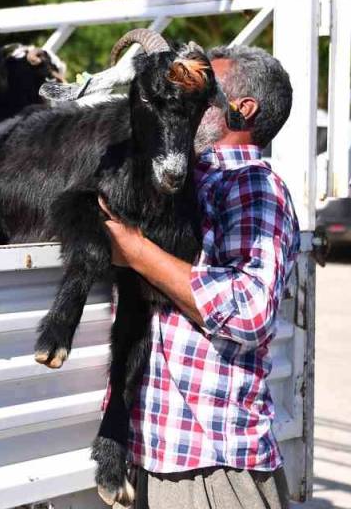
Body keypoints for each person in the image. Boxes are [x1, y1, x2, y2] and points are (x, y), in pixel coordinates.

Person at [98, 45, 300, 509]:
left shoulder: (253, 185)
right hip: (162, 454)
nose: (186, 98)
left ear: (242, 110)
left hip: (215, 468)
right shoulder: (186, 179)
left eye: (204, 92)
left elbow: (250, 311)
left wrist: (134, 250)